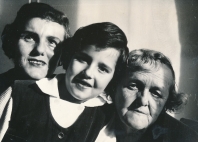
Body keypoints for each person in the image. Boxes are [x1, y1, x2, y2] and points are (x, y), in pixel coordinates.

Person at [1, 22, 129, 141]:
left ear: (113, 78)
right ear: (68, 57)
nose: (88, 73)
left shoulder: (105, 116)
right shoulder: (20, 92)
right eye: (82, 59)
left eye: (102, 69)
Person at [96, 49, 198, 142]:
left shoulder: (185, 138)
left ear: (167, 103)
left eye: (156, 93)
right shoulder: (91, 119)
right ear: (115, 87)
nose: (143, 101)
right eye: (134, 86)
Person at [0, 2, 70, 93]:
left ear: (63, 53)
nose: (39, 49)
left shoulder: (70, 95)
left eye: (52, 42)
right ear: (12, 42)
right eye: (29, 38)